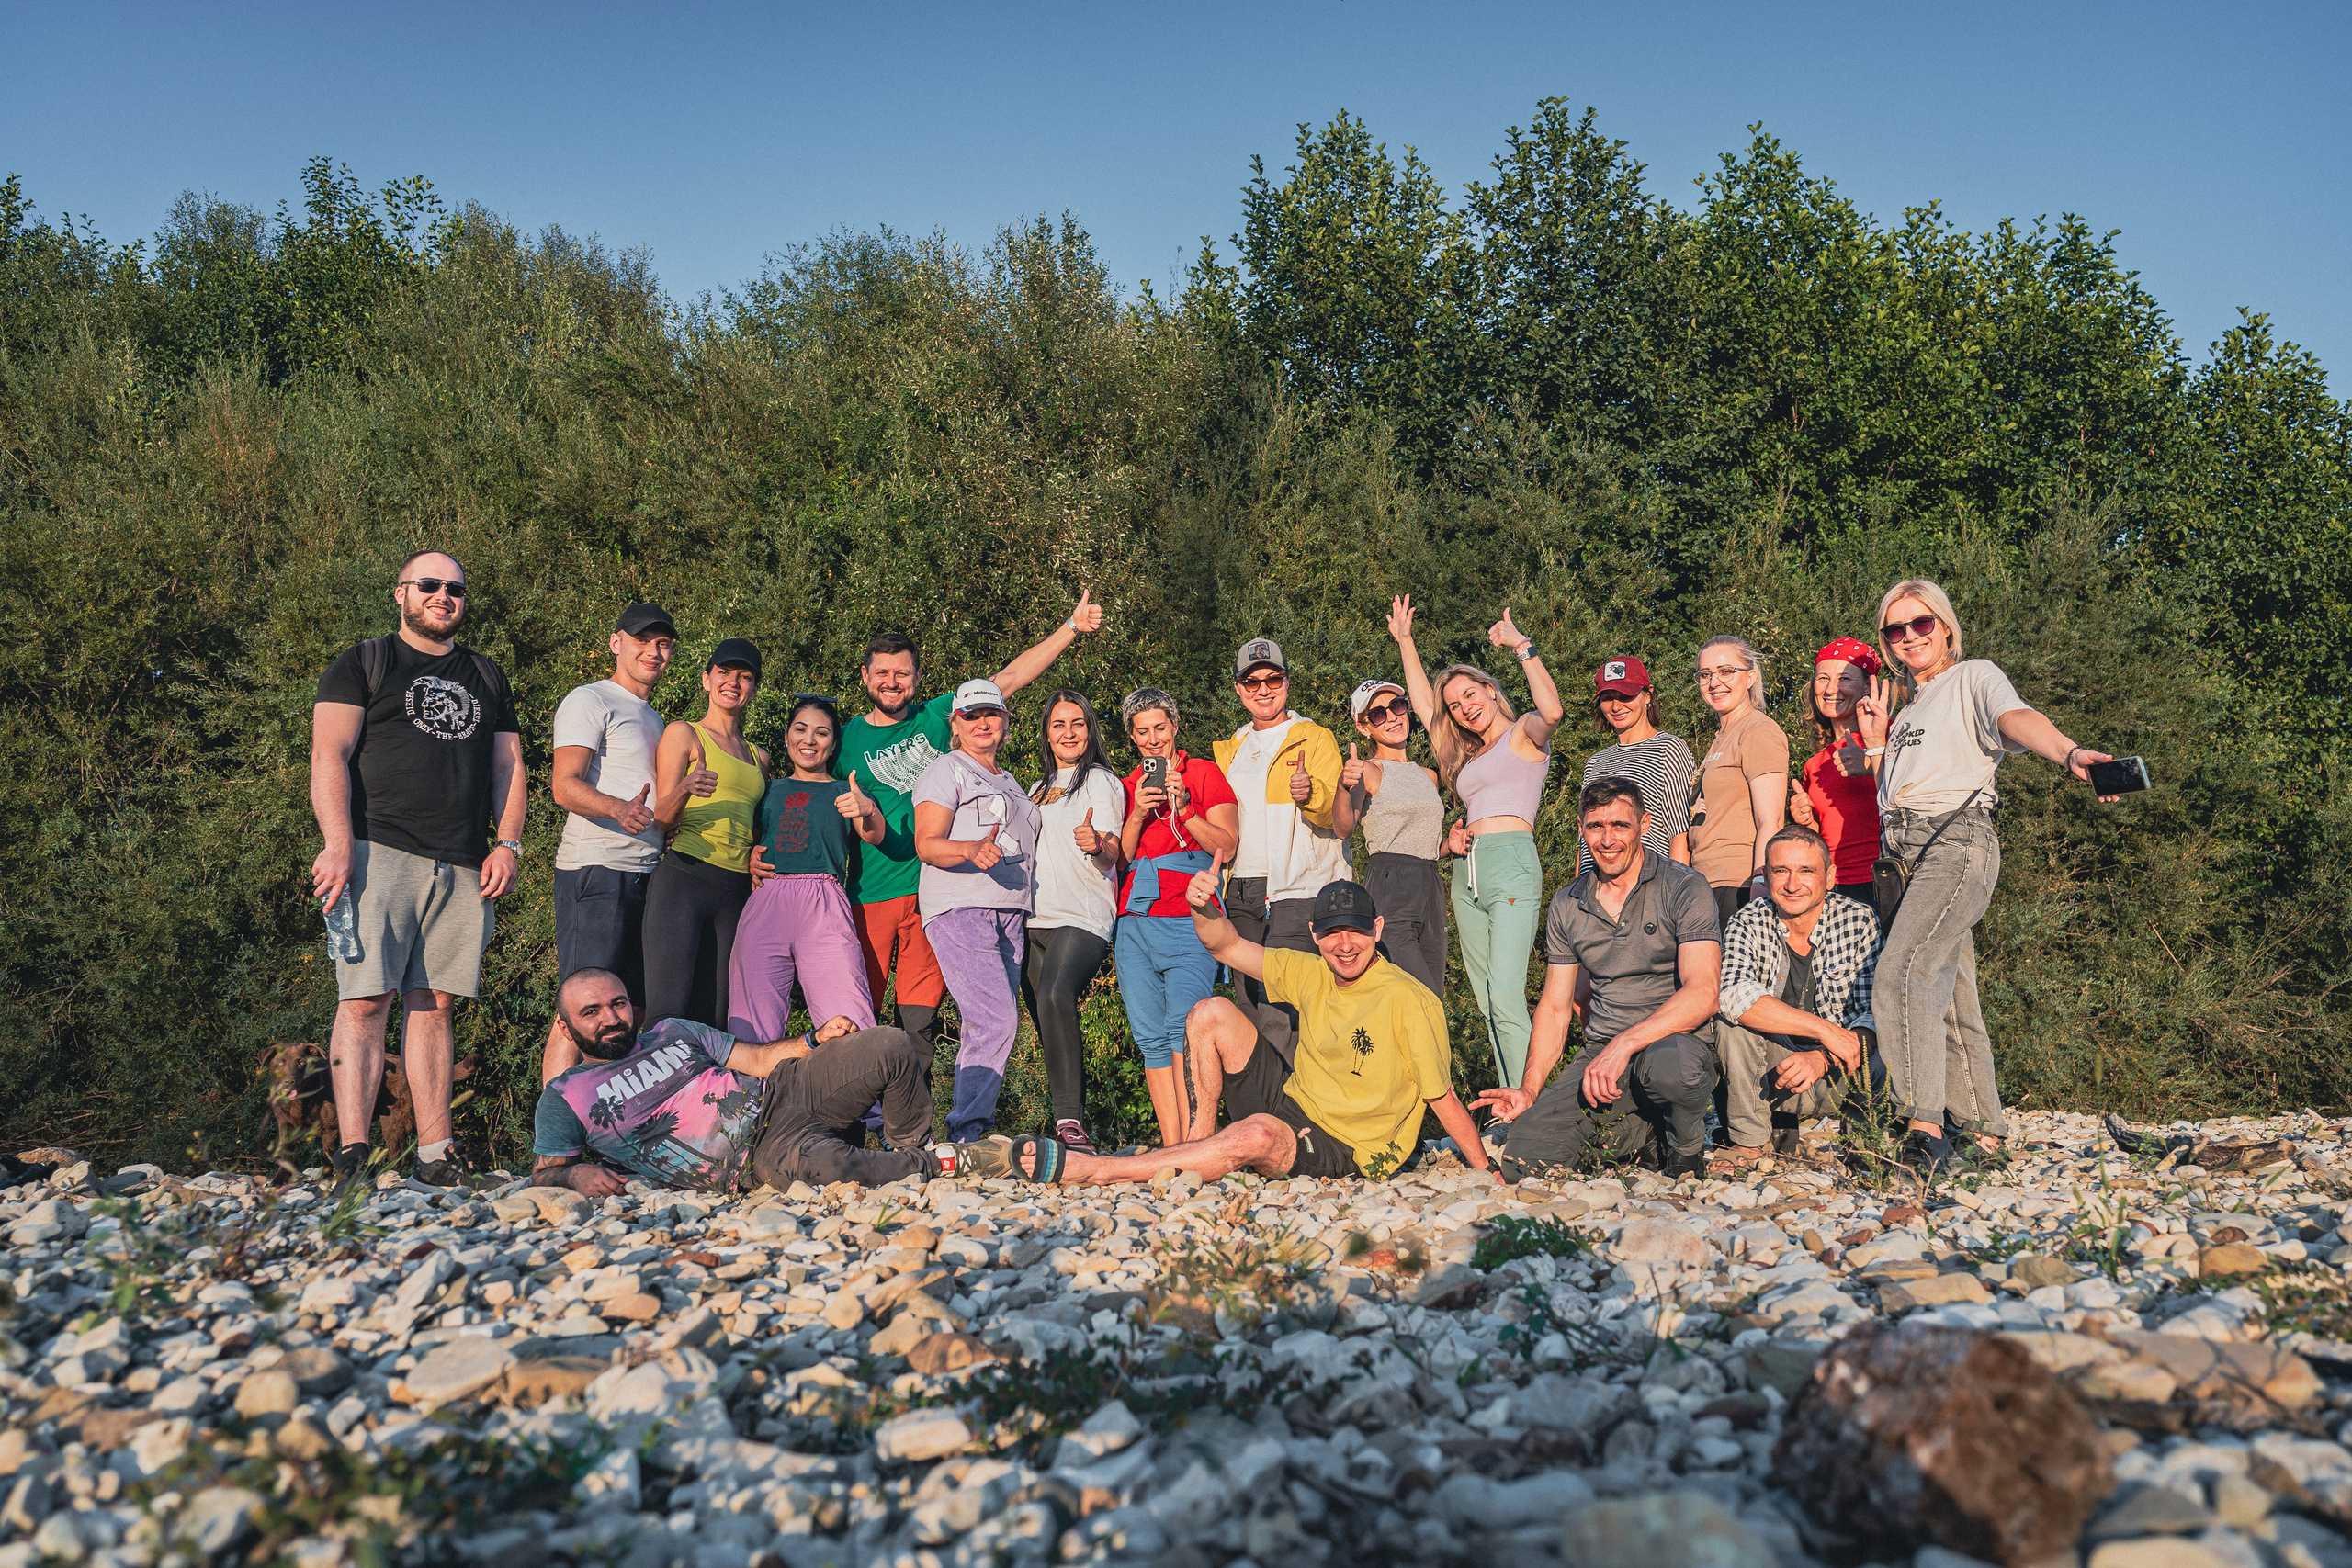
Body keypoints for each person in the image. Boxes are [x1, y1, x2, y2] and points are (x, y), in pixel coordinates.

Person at [950, 872, 1491, 1187]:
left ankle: (1095, 1171)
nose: (1344, 945)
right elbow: (1226, 946)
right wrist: (1202, 905)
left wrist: (1485, 1172)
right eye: (1331, 934)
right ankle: (1195, 1149)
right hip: (1296, 1102)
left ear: (1377, 929)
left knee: (1257, 1134)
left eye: (1355, 932)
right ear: (1314, 934)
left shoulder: (1408, 999)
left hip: (1349, 1147)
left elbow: (1440, 1096)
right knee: (1208, 1013)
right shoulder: (1312, 969)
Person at [1854, 579, 2120, 1170]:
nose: (1908, 638)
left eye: (1921, 624)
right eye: (1895, 630)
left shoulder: (1973, 675)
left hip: (1955, 841)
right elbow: (1891, 796)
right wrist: (1877, 744)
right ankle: (1983, 1131)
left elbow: (2016, 717)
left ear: (1945, 625)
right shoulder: (1908, 709)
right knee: (1949, 992)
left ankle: (1922, 1127)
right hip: (1906, 852)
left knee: (1903, 970)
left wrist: (2070, 753)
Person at [311, 549, 523, 1190]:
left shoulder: (485, 674)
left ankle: (436, 1155)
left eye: (455, 587)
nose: (443, 595)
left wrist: (507, 843)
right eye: (428, 585)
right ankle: (352, 1155)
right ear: (400, 594)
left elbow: (509, 767)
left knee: (434, 1008)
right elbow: (329, 755)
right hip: (379, 852)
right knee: (365, 1000)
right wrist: (338, 843)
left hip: (461, 863)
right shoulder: (365, 663)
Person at [838, 597, 1105, 1052]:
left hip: (935, 888)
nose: (892, 682)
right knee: (858, 1012)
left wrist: (1071, 628)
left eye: (902, 673)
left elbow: (1009, 679)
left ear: (917, 678)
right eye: (882, 673)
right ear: (865, 676)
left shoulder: (939, 717)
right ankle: (849, 1120)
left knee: (919, 1021)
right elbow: (808, 783)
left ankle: (910, 1125)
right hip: (872, 893)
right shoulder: (845, 738)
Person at [1473, 778, 1723, 1179]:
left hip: (1675, 1043)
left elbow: (1704, 993)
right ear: (1581, 828)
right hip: (1603, 1053)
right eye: (1595, 826)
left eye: (1620, 825)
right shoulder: (1567, 903)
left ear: (1644, 824)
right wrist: (1530, 1089)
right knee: (1524, 1160)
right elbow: (1555, 1008)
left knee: (1674, 1070)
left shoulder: (1684, 886)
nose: (1607, 840)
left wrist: (1624, 1043)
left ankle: (1685, 1146)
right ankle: (1645, 1132)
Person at [530, 968, 945, 1194]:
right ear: (566, 1030)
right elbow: (543, 1173)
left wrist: (814, 1039)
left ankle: (912, 1146)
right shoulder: (565, 1097)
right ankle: (942, 1166)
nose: (610, 1018)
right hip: (758, 1155)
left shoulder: (673, 1030)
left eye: (617, 1003)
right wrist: (573, 1175)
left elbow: (759, 1059)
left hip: (786, 1092)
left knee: (889, 1043)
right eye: (591, 1011)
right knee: (833, 1167)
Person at [1388, 596, 1566, 1089]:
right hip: (1467, 875)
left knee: (1507, 994)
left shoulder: (1523, 737)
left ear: (1490, 691)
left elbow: (1552, 709)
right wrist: (1406, 641)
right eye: (1456, 705)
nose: (1464, 709)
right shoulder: (1466, 755)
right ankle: (1512, 1102)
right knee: (1487, 999)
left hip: (1511, 863)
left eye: (1470, 695)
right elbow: (1425, 708)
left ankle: (1534, 1104)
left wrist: (1522, 646)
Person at [540, 601, 674, 1085]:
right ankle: (552, 1151)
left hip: (647, 875)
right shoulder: (590, 699)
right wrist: (620, 808)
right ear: (616, 643)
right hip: (596, 870)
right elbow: (564, 785)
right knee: (579, 1011)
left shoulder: (655, 718)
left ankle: (614, 1133)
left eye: (663, 644)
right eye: (642, 641)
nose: (654, 652)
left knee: (626, 1014)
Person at [912, 679, 1046, 1143]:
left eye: (992, 714)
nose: (983, 722)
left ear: (1006, 722)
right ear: (956, 724)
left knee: (984, 1022)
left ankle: (969, 1131)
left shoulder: (1010, 781)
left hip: (1010, 912)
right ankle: (968, 1133)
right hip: (962, 906)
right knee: (995, 1018)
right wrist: (970, 848)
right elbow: (925, 844)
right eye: (971, 716)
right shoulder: (947, 769)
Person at [1711, 824, 1887, 1173]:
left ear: (1830, 876)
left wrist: (1822, 1056)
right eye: (1781, 871)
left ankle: (1863, 1142)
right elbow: (1732, 993)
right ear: (1766, 874)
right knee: (1728, 1024)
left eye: (1806, 870)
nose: (1793, 884)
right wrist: (1824, 1030)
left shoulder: (1859, 919)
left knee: (1889, 1047)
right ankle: (1749, 1142)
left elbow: (1875, 1015)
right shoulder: (1747, 920)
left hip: (1840, 1073)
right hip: (1772, 1073)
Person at [1213, 637, 1347, 1067]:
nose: (1263, 689)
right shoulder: (1229, 749)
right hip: (1241, 891)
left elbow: (1338, 816)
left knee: (1282, 1012)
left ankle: (1297, 1123)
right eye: (1252, 682)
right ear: (1238, 689)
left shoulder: (1314, 737)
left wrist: (1312, 794)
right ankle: (1262, 1119)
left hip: (1297, 889)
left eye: (1273, 678)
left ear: (1288, 682)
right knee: (1250, 1011)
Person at [1114, 688, 1239, 1147]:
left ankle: (1197, 1141)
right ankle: (1171, 1149)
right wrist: (1137, 817)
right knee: (1149, 1036)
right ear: (1132, 736)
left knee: (1184, 1028)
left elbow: (1228, 844)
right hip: (1134, 918)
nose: (1152, 740)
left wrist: (1184, 809)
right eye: (1142, 732)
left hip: (1191, 914)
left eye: (1160, 729)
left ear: (1175, 728)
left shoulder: (1204, 773)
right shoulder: (1125, 786)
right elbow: (1118, 861)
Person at [728, 694, 884, 1044]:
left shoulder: (847, 790)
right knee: (752, 1015)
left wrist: (868, 808)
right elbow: (744, 839)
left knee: (848, 1012)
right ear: (786, 737)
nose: (809, 740)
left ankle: (863, 1098)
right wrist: (750, 857)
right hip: (768, 897)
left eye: (822, 733)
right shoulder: (767, 789)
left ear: (833, 744)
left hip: (823, 900)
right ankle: (748, 1098)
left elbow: (873, 835)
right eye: (800, 729)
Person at [643, 638, 769, 1031]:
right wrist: (686, 787)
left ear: (754, 688)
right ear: (706, 679)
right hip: (685, 878)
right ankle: (660, 1092)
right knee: (668, 1012)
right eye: (724, 673)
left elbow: (756, 823)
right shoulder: (685, 734)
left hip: (734, 894)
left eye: (744, 676)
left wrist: (753, 855)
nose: (733, 682)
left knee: (716, 1019)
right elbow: (661, 818)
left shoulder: (760, 756)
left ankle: (706, 1094)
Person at [1022, 691, 1127, 1153]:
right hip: (1032, 918)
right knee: (1046, 1016)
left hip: (1082, 913)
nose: (1068, 733)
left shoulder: (1103, 782)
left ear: (1090, 731)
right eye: (1059, 724)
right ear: (1046, 732)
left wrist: (1094, 843)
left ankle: (1073, 1128)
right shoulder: (1033, 788)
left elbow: (1112, 852)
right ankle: (1068, 1122)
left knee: (1055, 993)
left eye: (1078, 724)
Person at [1333, 678, 1448, 995]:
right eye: (1379, 714)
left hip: (1431, 885)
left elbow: (1418, 839)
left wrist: (1447, 846)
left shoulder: (1429, 776)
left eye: (1397, 706)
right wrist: (1344, 787)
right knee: (1414, 992)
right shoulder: (1369, 770)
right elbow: (1343, 827)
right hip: (1390, 883)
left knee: (1433, 996)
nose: (1393, 716)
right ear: (1363, 727)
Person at [1690, 635, 1789, 922]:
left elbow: (1771, 821)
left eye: (1726, 671)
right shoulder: (1721, 739)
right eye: (1705, 674)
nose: (1714, 682)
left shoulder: (1758, 731)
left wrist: (1761, 883)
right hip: (1705, 883)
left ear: (1750, 677)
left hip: (1738, 884)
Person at [1786, 637, 1883, 910]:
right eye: (1823, 678)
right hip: (1831, 888)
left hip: (1883, 879)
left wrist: (1871, 763)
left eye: (1844, 679)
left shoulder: (1890, 736)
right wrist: (1806, 822)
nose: (1831, 689)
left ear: (1867, 685)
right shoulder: (1814, 764)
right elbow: (1824, 835)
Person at [1577, 656, 1695, 872]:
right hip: (1593, 889)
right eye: (1608, 697)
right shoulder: (1595, 762)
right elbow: (1584, 842)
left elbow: (1680, 831)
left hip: (1646, 887)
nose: (1616, 706)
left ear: (1647, 695)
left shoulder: (1668, 748)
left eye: (1625, 696)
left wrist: (1676, 892)